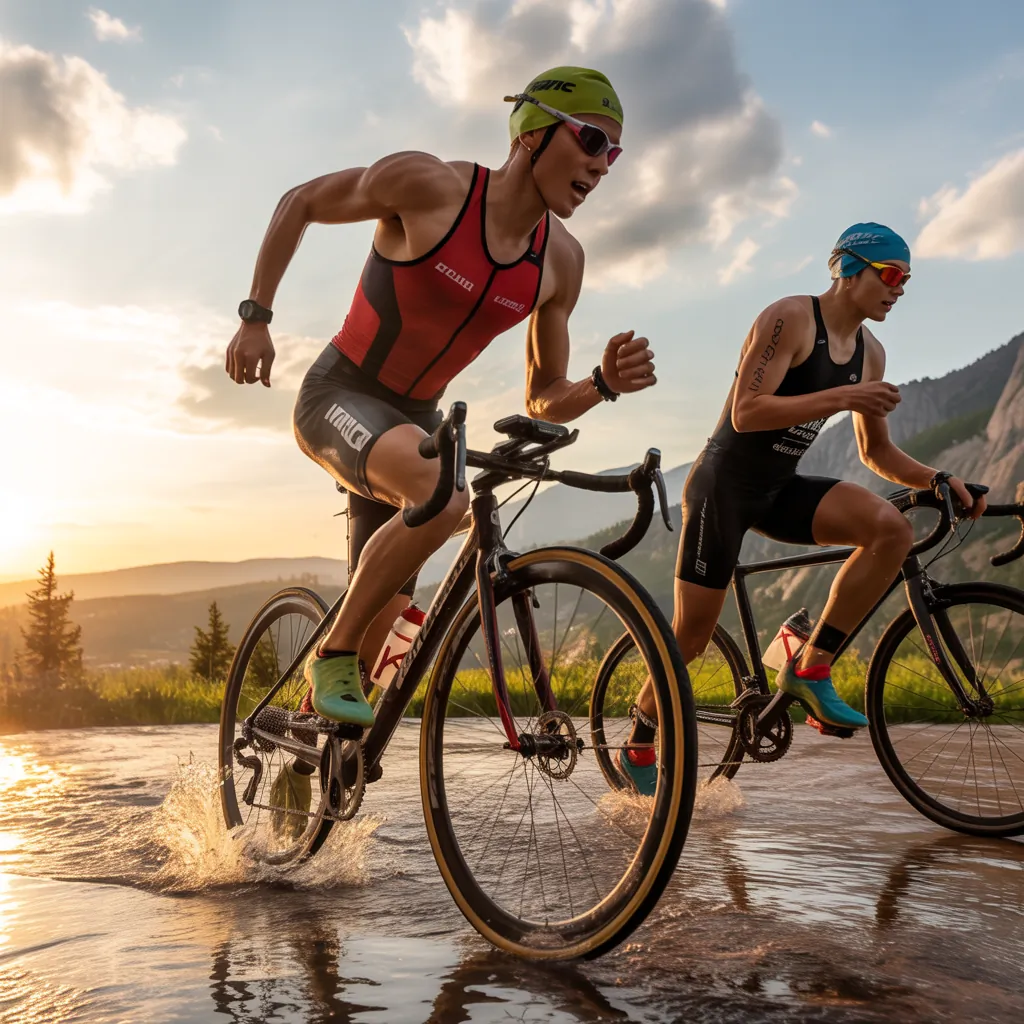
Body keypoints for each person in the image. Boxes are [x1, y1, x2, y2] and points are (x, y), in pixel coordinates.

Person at [224, 67, 656, 826]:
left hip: (415, 427)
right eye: (592, 140)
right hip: (339, 395)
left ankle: (302, 759)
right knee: (444, 498)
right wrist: (255, 316)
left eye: (614, 154)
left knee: (386, 626)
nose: (601, 166)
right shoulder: (430, 187)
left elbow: (544, 395)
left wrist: (600, 384)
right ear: (533, 133)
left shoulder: (562, 261)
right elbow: (301, 202)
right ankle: (328, 656)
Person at [619, 222, 987, 794]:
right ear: (849, 270)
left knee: (889, 530)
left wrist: (941, 478)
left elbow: (876, 452)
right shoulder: (789, 318)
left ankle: (810, 665)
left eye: (907, 280)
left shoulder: (871, 353)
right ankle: (640, 736)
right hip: (723, 487)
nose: (900, 289)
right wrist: (844, 395)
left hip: (779, 488)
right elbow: (746, 412)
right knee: (690, 637)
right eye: (892, 275)